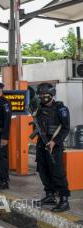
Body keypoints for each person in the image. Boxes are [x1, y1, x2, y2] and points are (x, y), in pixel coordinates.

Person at [34, 83, 71, 212]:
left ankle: (64, 199)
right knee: (43, 170)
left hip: (54, 146)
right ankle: (49, 195)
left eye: (45, 94)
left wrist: (54, 141)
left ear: (52, 94)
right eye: (40, 95)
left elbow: (66, 128)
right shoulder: (39, 109)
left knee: (57, 173)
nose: (42, 97)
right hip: (41, 144)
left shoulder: (61, 109)